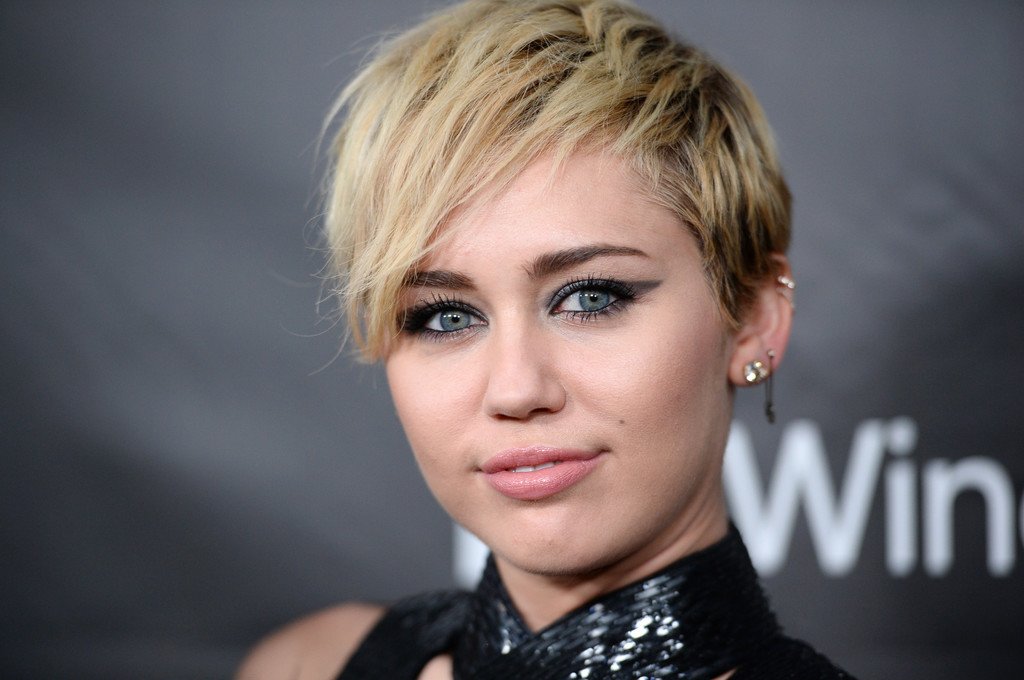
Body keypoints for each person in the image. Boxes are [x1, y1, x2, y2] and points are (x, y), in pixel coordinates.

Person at [239, 0, 855, 677]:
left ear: (754, 319)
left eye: (590, 298)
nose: (515, 389)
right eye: (445, 316)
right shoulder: (306, 666)